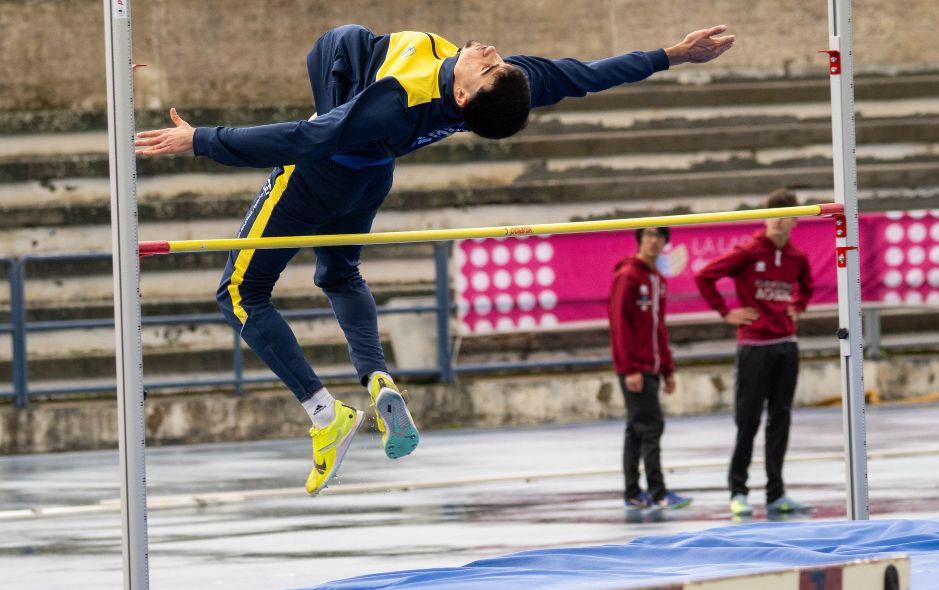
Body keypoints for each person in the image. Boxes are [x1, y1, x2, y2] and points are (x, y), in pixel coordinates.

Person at [135, 24, 736, 496]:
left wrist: (202, 140)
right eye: (497, 61)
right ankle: (377, 378)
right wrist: (672, 55)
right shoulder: (496, 88)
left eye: (489, 65)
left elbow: (305, 139)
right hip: (370, 177)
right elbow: (584, 75)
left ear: (463, 94)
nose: (493, 52)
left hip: (319, 172)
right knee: (340, 273)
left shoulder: (399, 100)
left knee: (240, 293)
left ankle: (324, 415)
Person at [694, 189, 814, 517]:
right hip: (754, 348)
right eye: (771, 215)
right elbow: (704, 276)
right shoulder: (748, 250)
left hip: (786, 345)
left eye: (783, 216)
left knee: (781, 419)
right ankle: (738, 491)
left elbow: (808, 286)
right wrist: (726, 312)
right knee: (747, 421)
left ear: (794, 220)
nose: (777, 222)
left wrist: (798, 305)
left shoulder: (797, 256)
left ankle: (776, 493)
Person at [609, 227, 693, 510]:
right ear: (639, 240)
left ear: (666, 242)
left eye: (659, 236)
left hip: (653, 366)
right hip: (636, 367)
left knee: (636, 428)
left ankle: (633, 493)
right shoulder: (628, 276)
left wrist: (668, 369)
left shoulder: (657, 279)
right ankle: (658, 492)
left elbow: (659, 327)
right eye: (648, 235)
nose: (654, 240)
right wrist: (630, 368)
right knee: (651, 426)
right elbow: (620, 325)